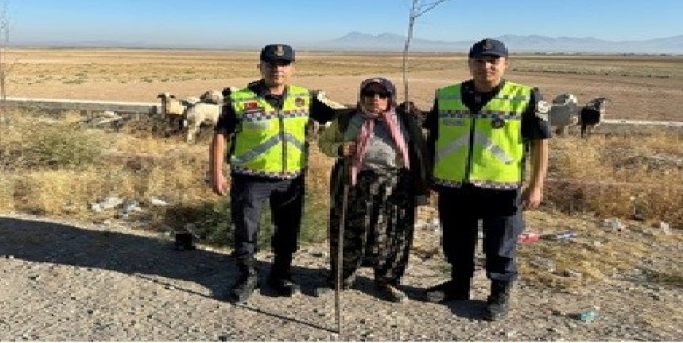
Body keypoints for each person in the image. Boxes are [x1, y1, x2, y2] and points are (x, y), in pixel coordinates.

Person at [422, 38, 550, 320]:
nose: (486, 67)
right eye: (479, 61)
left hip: (502, 189)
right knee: (456, 240)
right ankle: (458, 286)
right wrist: (428, 175)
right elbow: (433, 138)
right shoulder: (446, 95)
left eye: (493, 61)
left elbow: (541, 143)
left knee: (501, 244)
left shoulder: (525, 97)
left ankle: (499, 293)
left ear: (505, 64)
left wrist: (536, 185)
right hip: (454, 185)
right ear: (470, 63)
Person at [210, 44, 337, 304]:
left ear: (292, 69)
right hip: (250, 178)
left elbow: (336, 117)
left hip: (290, 180)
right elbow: (220, 135)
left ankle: (281, 275)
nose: (277, 69)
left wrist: (382, 112)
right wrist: (216, 173)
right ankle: (247, 276)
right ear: (260, 67)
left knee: (288, 230)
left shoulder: (304, 98)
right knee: (246, 230)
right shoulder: (240, 99)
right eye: (270, 64)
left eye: (283, 64)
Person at [317, 77, 429, 302]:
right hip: (354, 182)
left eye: (382, 95)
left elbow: (420, 150)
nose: (375, 100)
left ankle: (388, 281)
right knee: (347, 231)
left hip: (395, 185)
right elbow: (324, 143)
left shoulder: (405, 121)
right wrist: (340, 148)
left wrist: (422, 186)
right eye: (369, 94)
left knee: (394, 235)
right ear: (362, 97)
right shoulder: (346, 119)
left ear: (391, 98)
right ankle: (341, 279)